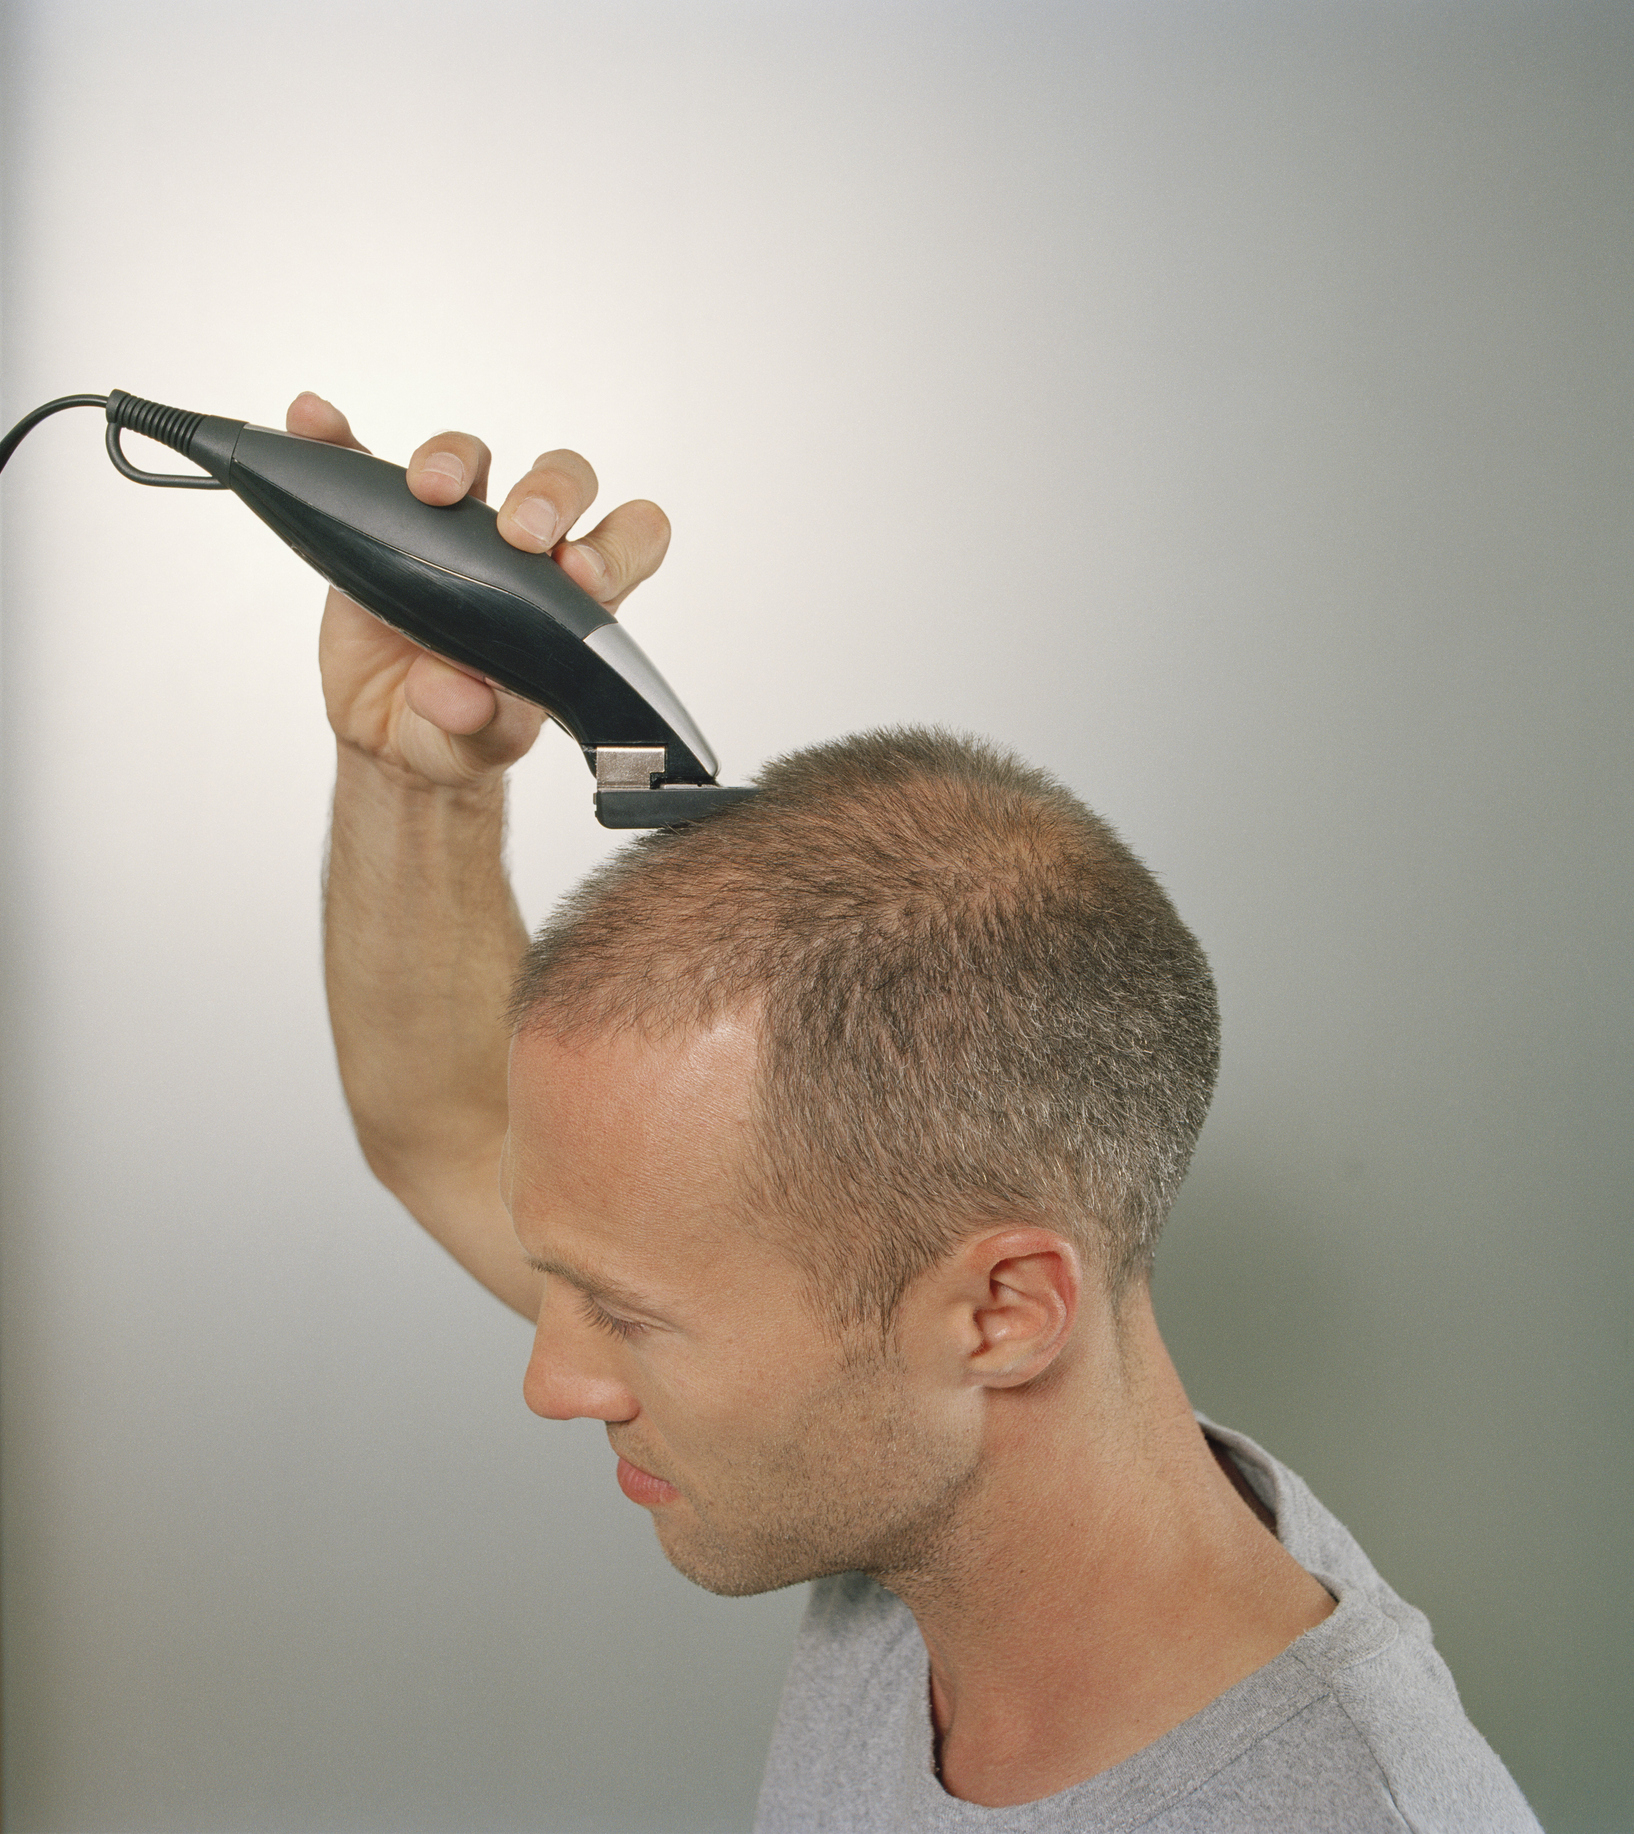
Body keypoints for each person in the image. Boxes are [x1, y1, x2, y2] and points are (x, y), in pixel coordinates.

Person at [296, 387, 1542, 1832]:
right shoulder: (916, 1443)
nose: (553, 1378)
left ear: (1003, 1311)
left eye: (625, 1316)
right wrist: (412, 780)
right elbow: (446, 1128)